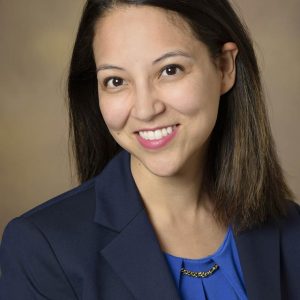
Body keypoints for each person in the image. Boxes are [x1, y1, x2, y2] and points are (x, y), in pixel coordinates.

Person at [0, 0, 299, 299]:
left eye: (170, 70)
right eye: (116, 81)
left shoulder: (291, 229)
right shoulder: (42, 250)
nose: (145, 109)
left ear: (224, 67)